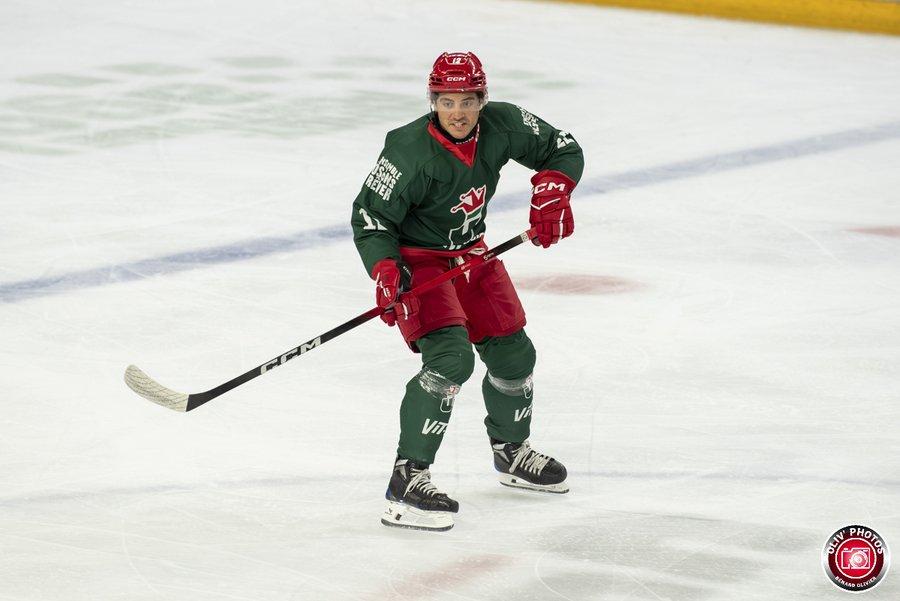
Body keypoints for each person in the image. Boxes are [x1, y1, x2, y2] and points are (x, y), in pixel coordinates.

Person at [351, 51, 584, 531]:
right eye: (447, 101)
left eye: (467, 101)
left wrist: (555, 187)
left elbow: (562, 147)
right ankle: (407, 479)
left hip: (473, 254)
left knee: (515, 355)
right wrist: (386, 271)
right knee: (450, 359)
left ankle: (511, 451)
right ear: (433, 101)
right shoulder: (408, 152)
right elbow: (371, 217)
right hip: (419, 262)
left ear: (483, 99)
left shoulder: (502, 124)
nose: (457, 112)